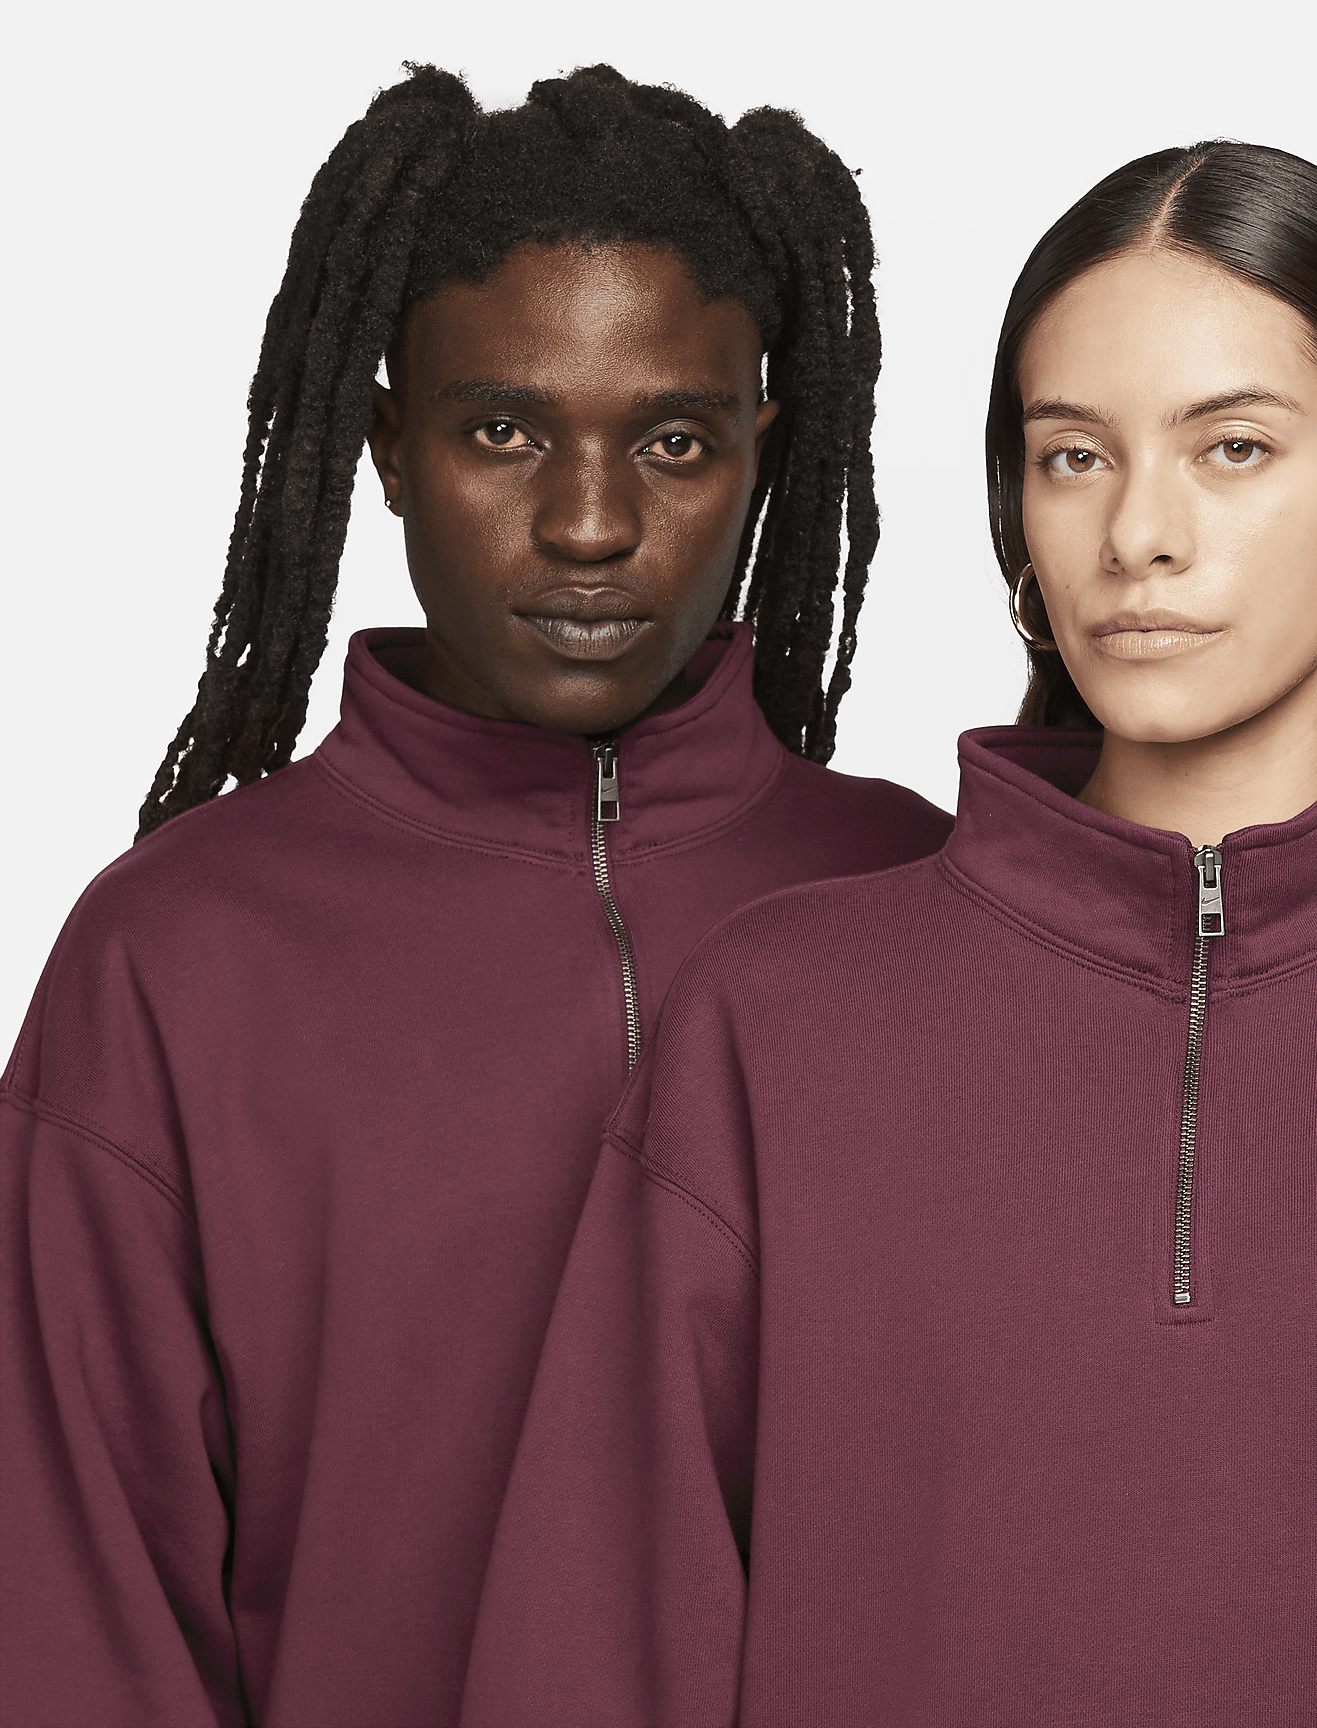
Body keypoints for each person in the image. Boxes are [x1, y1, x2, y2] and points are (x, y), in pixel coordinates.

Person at [461, 142, 1317, 1727]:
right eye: (1073, 456)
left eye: (1233, 448)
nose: (1140, 534)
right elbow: (591, 1659)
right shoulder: (777, 1027)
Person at [0, 62, 951, 1727]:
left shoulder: (925, 902)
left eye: (673, 440)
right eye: (503, 430)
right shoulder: (175, 957)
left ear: (764, 455)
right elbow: (77, 1623)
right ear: (385, 448)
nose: (587, 524)